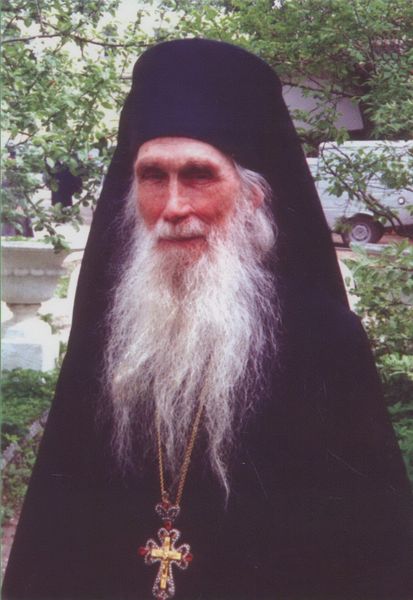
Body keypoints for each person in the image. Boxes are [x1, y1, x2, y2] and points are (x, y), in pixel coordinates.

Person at [3, 39, 412, 600]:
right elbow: (57, 538)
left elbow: (369, 555)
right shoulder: (110, 338)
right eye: (153, 176)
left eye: (198, 175)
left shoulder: (324, 341)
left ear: (252, 196)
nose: (173, 207)